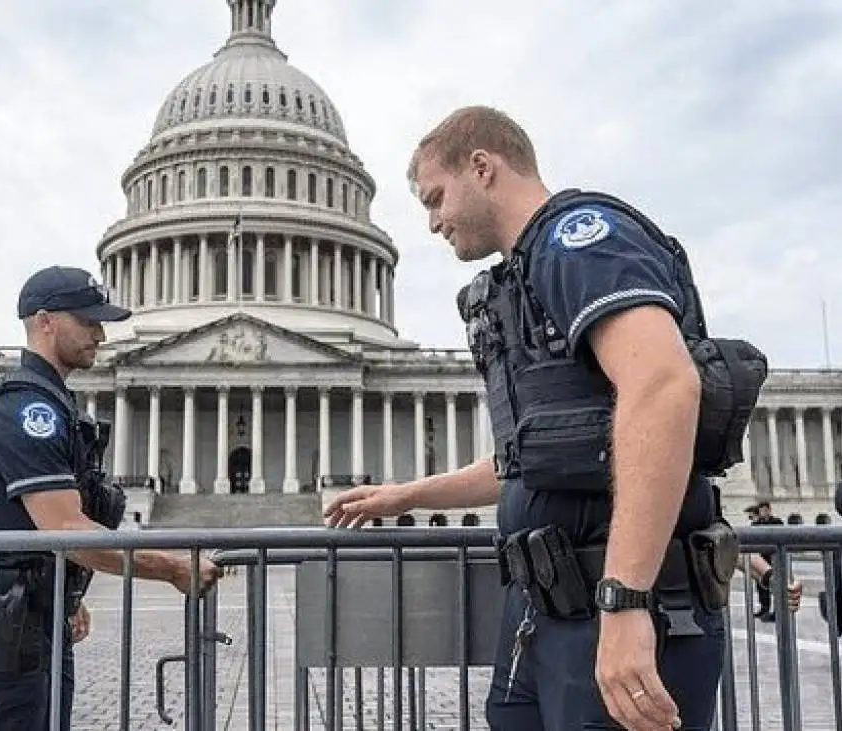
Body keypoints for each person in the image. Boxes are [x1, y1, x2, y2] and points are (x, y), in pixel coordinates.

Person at [325, 106, 767, 730]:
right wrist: (404, 496)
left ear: (482, 167)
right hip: (547, 610)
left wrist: (625, 600)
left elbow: (664, 384)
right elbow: (539, 459)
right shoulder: (525, 279)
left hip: (611, 601)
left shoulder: (579, 240)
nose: (432, 222)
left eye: (436, 198)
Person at [0, 265, 223, 731]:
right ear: (46, 321)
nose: (101, 333)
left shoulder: (52, 403)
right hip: (11, 626)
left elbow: (42, 529)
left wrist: (64, 592)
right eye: (88, 320)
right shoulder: (26, 411)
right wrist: (171, 567)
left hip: (36, 613)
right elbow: (67, 529)